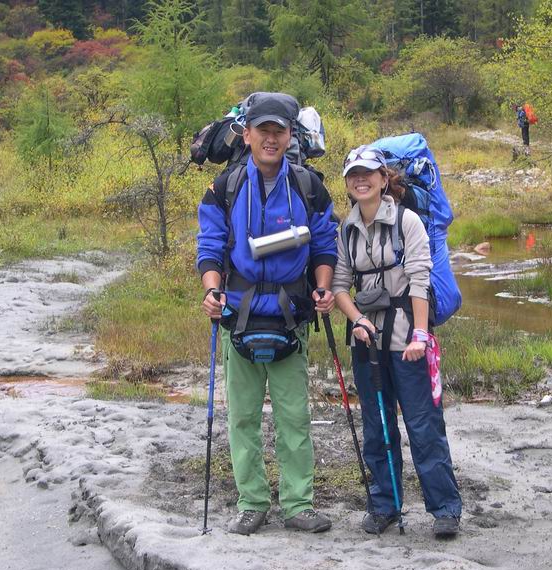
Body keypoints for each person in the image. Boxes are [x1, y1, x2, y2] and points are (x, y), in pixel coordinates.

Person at [196, 92, 338, 536]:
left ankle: (298, 505)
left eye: (279, 131)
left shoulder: (309, 187)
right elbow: (210, 246)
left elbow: (325, 245)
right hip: (238, 315)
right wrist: (212, 291)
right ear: (248, 135)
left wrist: (322, 288)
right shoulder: (225, 187)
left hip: (290, 317)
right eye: (264, 131)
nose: (271, 139)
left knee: (294, 417)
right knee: (242, 418)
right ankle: (252, 503)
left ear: (291, 135)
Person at [332, 145, 462, 538]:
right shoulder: (346, 230)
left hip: (408, 341)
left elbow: (420, 280)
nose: (361, 180)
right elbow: (340, 286)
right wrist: (357, 320)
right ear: (348, 183)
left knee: (424, 426)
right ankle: (384, 506)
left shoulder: (407, 222)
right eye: (354, 175)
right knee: (377, 427)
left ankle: (445, 510)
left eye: (368, 173)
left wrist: (421, 334)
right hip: (366, 343)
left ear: (383, 178)